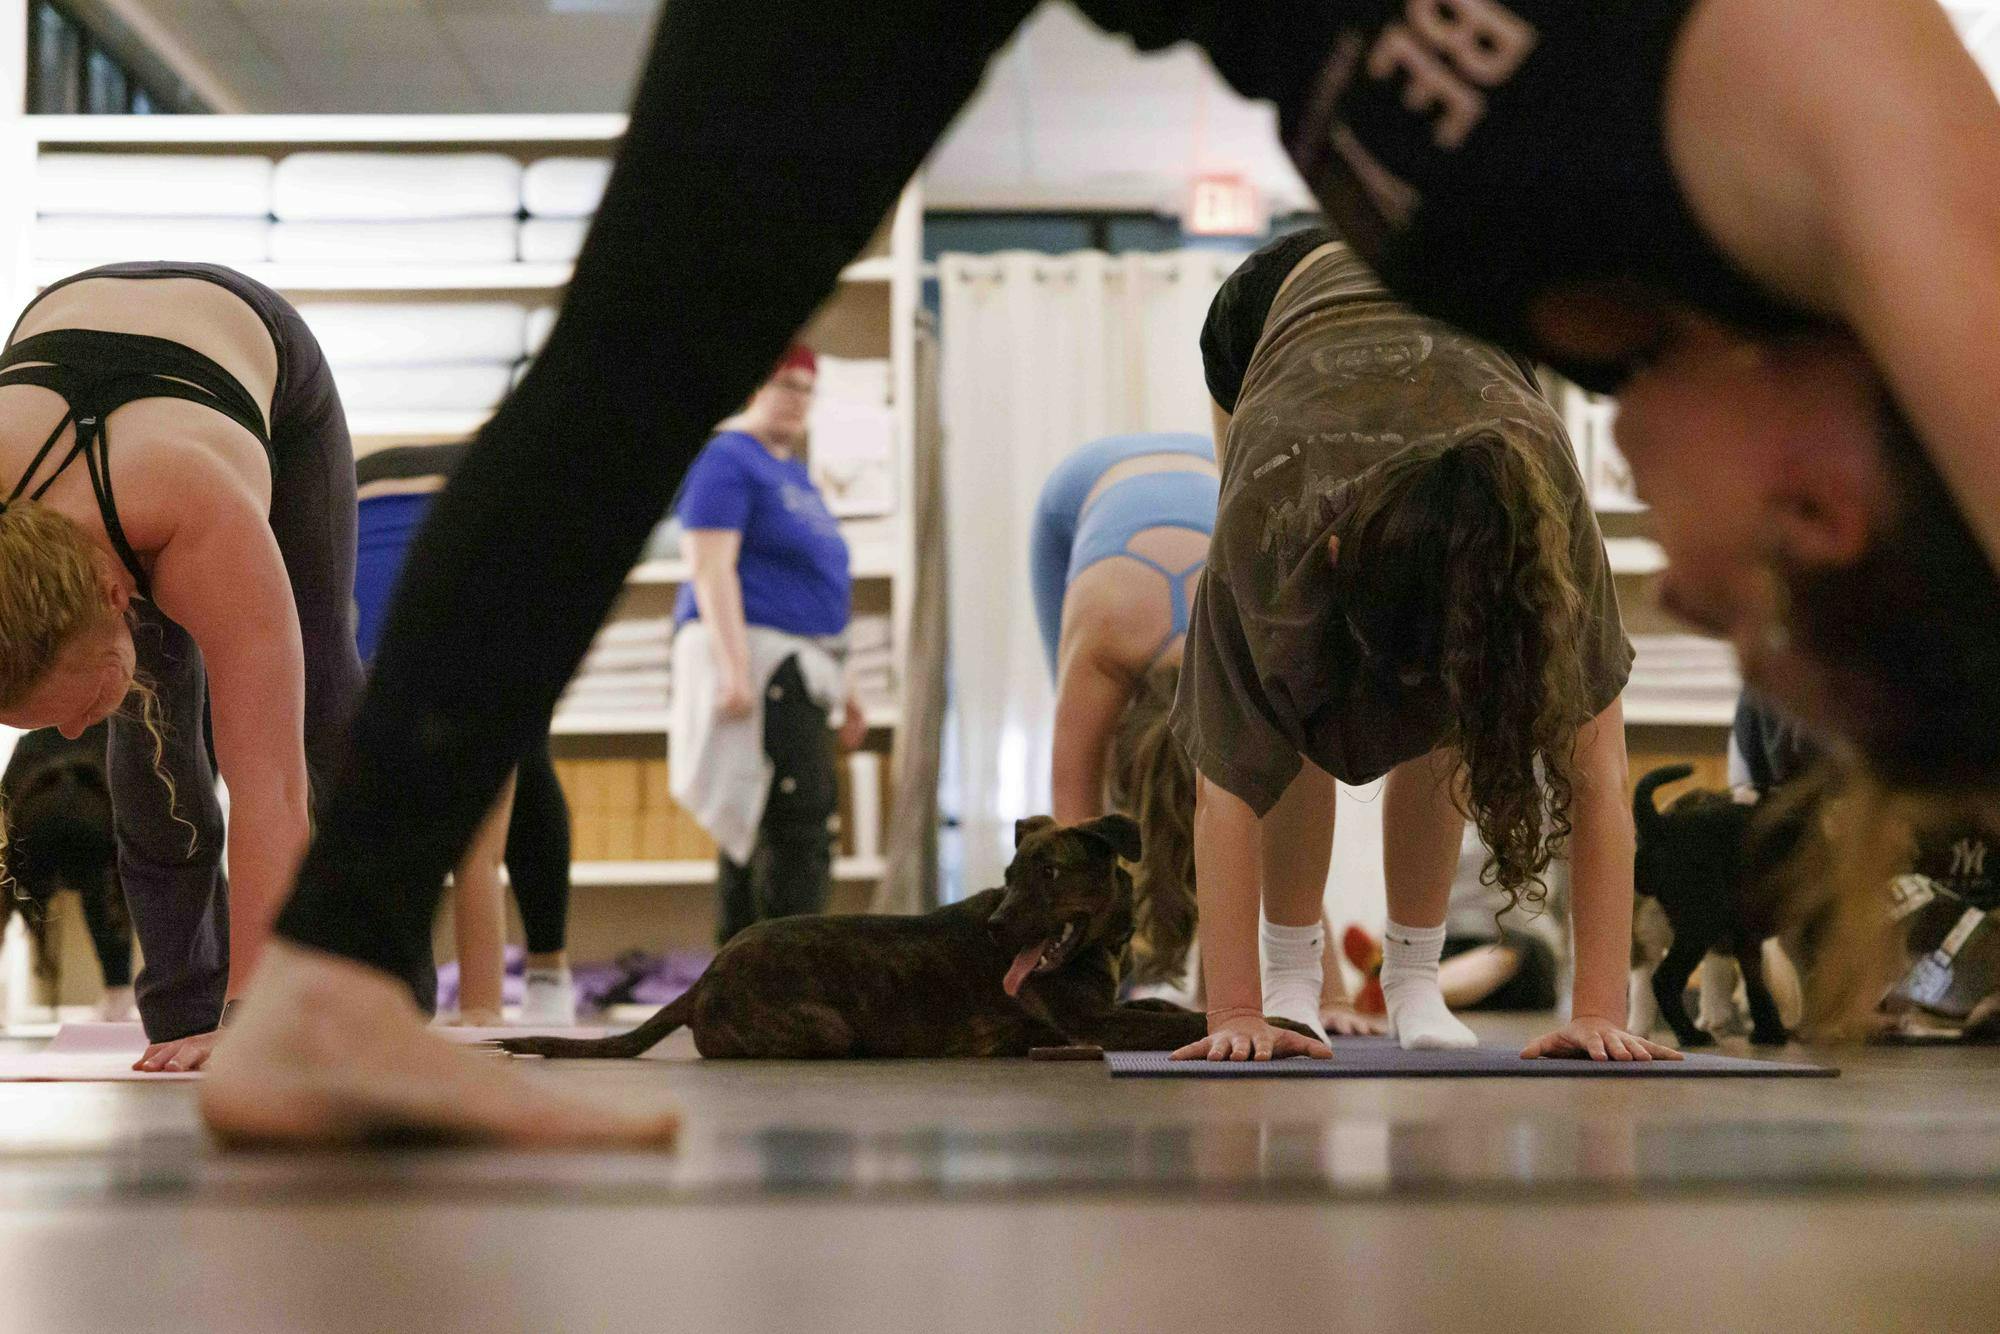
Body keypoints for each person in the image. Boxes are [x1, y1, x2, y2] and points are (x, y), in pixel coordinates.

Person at [202, 0, 2000, 1142]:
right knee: (641, 364)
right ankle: (335, 981)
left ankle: (321, 986)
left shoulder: (1670, 318)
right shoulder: (1875, 149)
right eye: (1751, 609)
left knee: (634, 366)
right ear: (1830, 507)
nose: (1681, 597)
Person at [1167, 232, 1673, 1063]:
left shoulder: (1539, 529)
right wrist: (1236, 1012)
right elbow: (1223, 779)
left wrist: (1598, 1009)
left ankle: (1413, 977)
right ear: (1332, 555)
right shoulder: (1273, 516)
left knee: (1459, 682)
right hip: (1272, 312)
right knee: (1286, 671)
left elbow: (1601, 770)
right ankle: (1294, 980)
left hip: (1463, 300)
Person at [0, 261, 435, 1075]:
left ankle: (383, 987)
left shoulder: (204, 517)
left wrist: (250, 1021)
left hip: (249, 351)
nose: (67, 733)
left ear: (110, 590)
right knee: (154, 747)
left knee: (325, 711)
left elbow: (271, 791)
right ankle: (178, 1014)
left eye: (72, 698)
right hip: (69, 335)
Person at [1031, 431, 1380, 1035]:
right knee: (1098, 839)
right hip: (1079, 498)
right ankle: (1128, 967)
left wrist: (1332, 999)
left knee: (1250, 810)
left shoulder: (1246, 641)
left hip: (1210, 472)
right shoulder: (1101, 646)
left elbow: (1283, 832)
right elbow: (1073, 839)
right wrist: (1078, 998)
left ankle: (1204, 975)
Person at [353, 441, 579, 1026]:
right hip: (374, 515)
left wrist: (481, 1018)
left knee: (508, 780)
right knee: (462, 848)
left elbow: (475, 863)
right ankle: (422, 1002)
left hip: (485, 515)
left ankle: (546, 971)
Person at [672, 345, 868, 944]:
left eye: (807, 387)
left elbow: (819, 593)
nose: (796, 397)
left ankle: (753, 979)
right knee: (791, 824)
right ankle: (781, 980)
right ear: (755, 386)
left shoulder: (793, 472)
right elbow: (710, 567)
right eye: (784, 382)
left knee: (777, 825)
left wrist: (850, 690)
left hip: (800, 663)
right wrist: (734, 671)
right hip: (759, 661)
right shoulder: (727, 458)